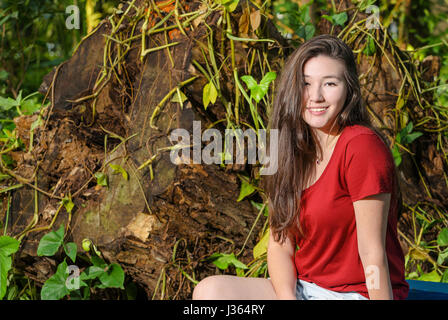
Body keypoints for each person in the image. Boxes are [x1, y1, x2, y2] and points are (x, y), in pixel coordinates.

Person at [192, 34, 409, 300]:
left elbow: (372, 251)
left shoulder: (361, 146)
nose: (315, 96)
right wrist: (287, 298)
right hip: (305, 290)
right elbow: (281, 244)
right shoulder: (290, 150)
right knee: (210, 292)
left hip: (355, 294)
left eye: (330, 83)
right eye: (306, 84)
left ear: (349, 89)